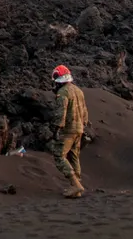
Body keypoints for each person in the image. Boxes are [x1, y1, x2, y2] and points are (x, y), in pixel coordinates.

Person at [51, 64, 89, 199]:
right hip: (79, 129)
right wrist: (84, 126)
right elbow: (85, 112)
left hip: (68, 130)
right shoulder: (79, 91)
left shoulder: (63, 93)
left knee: (59, 156)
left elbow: (61, 113)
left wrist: (56, 129)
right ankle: (77, 188)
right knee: (74, 156)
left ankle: (75, 184)